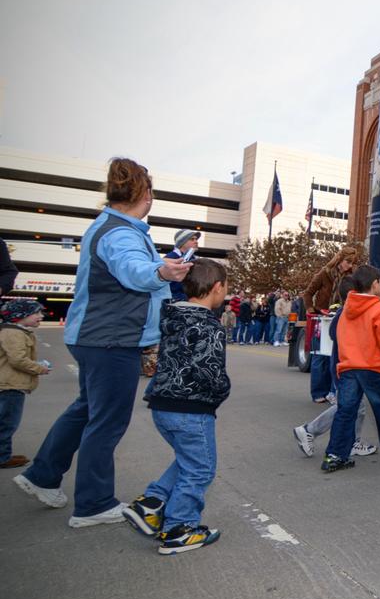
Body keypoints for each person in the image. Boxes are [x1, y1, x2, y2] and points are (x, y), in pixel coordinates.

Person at [13, 157, 191, 526]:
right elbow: (132, 269)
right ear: (145, 193)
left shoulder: (112, 226)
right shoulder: (121, 232)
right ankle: (93, 503)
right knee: (107, 420)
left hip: (98, 336)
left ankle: (43, 475)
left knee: (87, 410)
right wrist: (161, 270)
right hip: (110, 338)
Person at [121, 257, 230, 554]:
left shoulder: (172, 316)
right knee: (200, 469)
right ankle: (179, 528)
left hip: (162, 405)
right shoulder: (210, 326)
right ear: (217, 288)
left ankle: (152, 503)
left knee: (188, 459)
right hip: (191, 409)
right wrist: (222, 390)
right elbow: (210, 371)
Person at [320, 264, 380, 473]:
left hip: (348, 366)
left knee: (346, 411)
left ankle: (335, 455)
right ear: (374, 284)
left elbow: (340, 339)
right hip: (372, 367)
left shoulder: (346, 311)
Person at [292, 276, 375, 459]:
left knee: (354, 406)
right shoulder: (347, 313)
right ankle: (309, 430)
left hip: (344, 367)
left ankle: (352, 440)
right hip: (346, 369)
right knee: (350, 406)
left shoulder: (345, 312)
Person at [303, 245, 363, 404]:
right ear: (340, 259)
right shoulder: (324, 273)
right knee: (319, 356)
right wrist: (311, 310)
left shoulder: (352, 276)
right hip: (321, 318)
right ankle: (318, 392)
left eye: (352, 263)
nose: (349, 266)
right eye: (347, 262)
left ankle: (332, 392)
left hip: (340, 317)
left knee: (335, 356)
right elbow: (308, 293)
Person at [0, 299, 51, 469]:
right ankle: (2, 457)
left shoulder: (14, 331)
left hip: (8, 384)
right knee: (7, 423)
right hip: (10, 386)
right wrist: (39, 368)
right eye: (36, 313)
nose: (40, 316)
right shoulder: (14, 334)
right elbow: (17, 359)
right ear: (19, 316)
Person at [164, 229, 200, 301]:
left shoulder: (195, 259)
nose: (196, 241)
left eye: (196, 239)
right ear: (182, 242)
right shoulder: (169, 258)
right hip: (175, 302)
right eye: (192, 239)